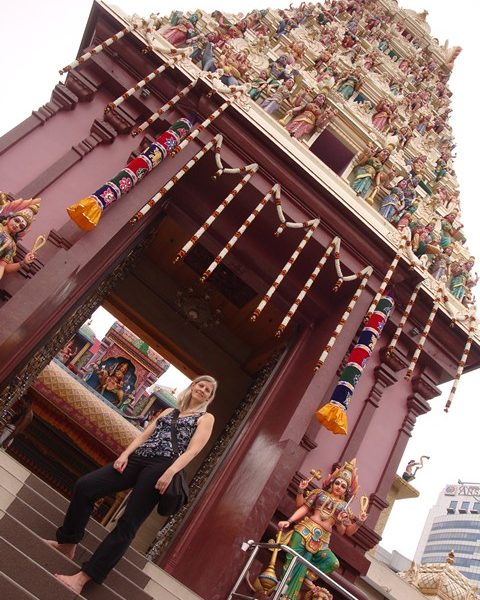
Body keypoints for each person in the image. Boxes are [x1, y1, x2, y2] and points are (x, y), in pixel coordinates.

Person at [43, 375, 217, 595]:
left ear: (209, 397)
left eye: (208, 390)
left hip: (161, 466)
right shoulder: (168, 412)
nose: (202, 390)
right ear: (192, 386)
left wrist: (170, 471)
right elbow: (144, 436)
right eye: (200, 385)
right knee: (86, 486)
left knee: (128, 523)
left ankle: (83, 578)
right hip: (138, 458)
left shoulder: (205, 418)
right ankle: (68, 542)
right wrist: (124, 454)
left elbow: (193, 450)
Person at [277, 459, 366, 599]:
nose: (339, 487)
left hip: (322, 539)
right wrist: (290, 519)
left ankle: (305, 576)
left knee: (332, 562)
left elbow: (345, 531)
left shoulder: (344, 507)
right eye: (337, 482)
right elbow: (303, 506)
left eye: (343, 486)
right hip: (304, 531)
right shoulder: (319, 493)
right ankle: (281, 594)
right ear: (332, 483)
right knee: (292, 563)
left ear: (346, 491)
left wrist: (357, 522)